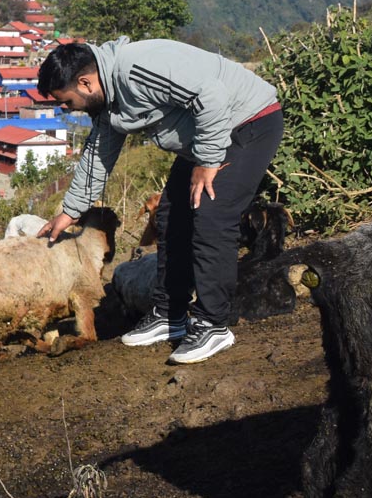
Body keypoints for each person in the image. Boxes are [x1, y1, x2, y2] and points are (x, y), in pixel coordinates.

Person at [35, 37, 283, 364]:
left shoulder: (137, 68)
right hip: (208, 135)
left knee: (210, 213)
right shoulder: (106, 97)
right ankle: (171, 314)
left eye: (66, 102)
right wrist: (71, 211)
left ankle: (213, 323)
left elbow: (211, 96)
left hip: (248, 122)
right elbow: (98, 152)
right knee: (169, 214)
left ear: (85, 82)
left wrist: (207, 162)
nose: (67, 109)